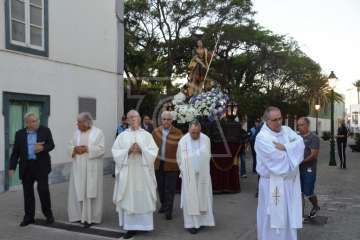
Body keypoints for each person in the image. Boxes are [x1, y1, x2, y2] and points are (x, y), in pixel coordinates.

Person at [255, 106, 305, 240]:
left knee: (288, 216)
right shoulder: (262, 138)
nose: (279, 122)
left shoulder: (287, 130)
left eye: (280, 118)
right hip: (272, 185)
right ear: (267, 120)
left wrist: (286, 148)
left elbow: (301, 145)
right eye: (274, 120)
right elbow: (277, 162)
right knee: (271, 218)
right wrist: (292, 152)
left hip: (289, 185)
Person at [112, 110, 159, 239]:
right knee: (129, 197)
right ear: (126, 120)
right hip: (128, 174)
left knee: (142, 197)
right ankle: (130, 228)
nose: (133, 119)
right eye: (130, 117)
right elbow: (115, 152)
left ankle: (145, 225)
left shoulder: (147, 135)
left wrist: (142, 150)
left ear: (139, 119)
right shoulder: (122, 136)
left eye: (135, 117)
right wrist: (127, 151)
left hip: (143, 173)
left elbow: (153, 151)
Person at [9, 112, 55, 227]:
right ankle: (29, 217)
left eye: (37, 120)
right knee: (28, 193)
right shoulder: (19, 134)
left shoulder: (45, 130)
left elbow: (51, 145)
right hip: (27, 167)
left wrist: (43, 148)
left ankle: (48, 215)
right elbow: (15, 153)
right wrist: (12, 167)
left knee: (43, 190)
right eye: (33, 121)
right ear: (27, 123)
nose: (36, 123)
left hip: (41, 166)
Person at [176, 120, 215, 234]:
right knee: (190, 201)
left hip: (203, 176)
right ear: (188, 130)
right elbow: (179, 158)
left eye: (197, 133)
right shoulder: (183, 141)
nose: (195, 135)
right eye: (192, 132)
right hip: (189, 177)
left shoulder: (206, 139)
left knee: (204, 198)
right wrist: (185, 171)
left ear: (200, 131)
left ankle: (203, 222)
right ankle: (191, 224)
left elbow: (208, 156)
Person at [68, 112, 105, 228]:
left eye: (79, 122)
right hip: (78, 167)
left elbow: (102, 149)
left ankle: (91, 218)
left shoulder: (98, 133)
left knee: (90, 192)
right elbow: (69, 145)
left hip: (92, 168)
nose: (77, 124)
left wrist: (87, 149)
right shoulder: (76, 133)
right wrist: (74, 149)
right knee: (78, 190)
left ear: (86, 122)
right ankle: (78, 216)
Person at [152, 111, 182, 220]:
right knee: (160, 187)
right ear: (161, 120)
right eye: (164, 119)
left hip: (172, 164)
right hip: (158, 164)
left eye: (168, 119)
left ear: (172, 120)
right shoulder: (155, 132)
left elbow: (181, 149)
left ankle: (169, 210)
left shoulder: (178, 132)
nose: (166, 121)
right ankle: (164, 204)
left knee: (170, 188)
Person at [297, 117, 320, 219]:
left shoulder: (313, 138)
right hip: (297, 169)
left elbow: (314, 155)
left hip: (309, 168)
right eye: (298, 125)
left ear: (307, 125)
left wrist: (301, 161)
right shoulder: (297, 137)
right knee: (299, 191)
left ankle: (316, 206)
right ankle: (300, 214)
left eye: (302, 125)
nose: (299, 127)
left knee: (308, 192)